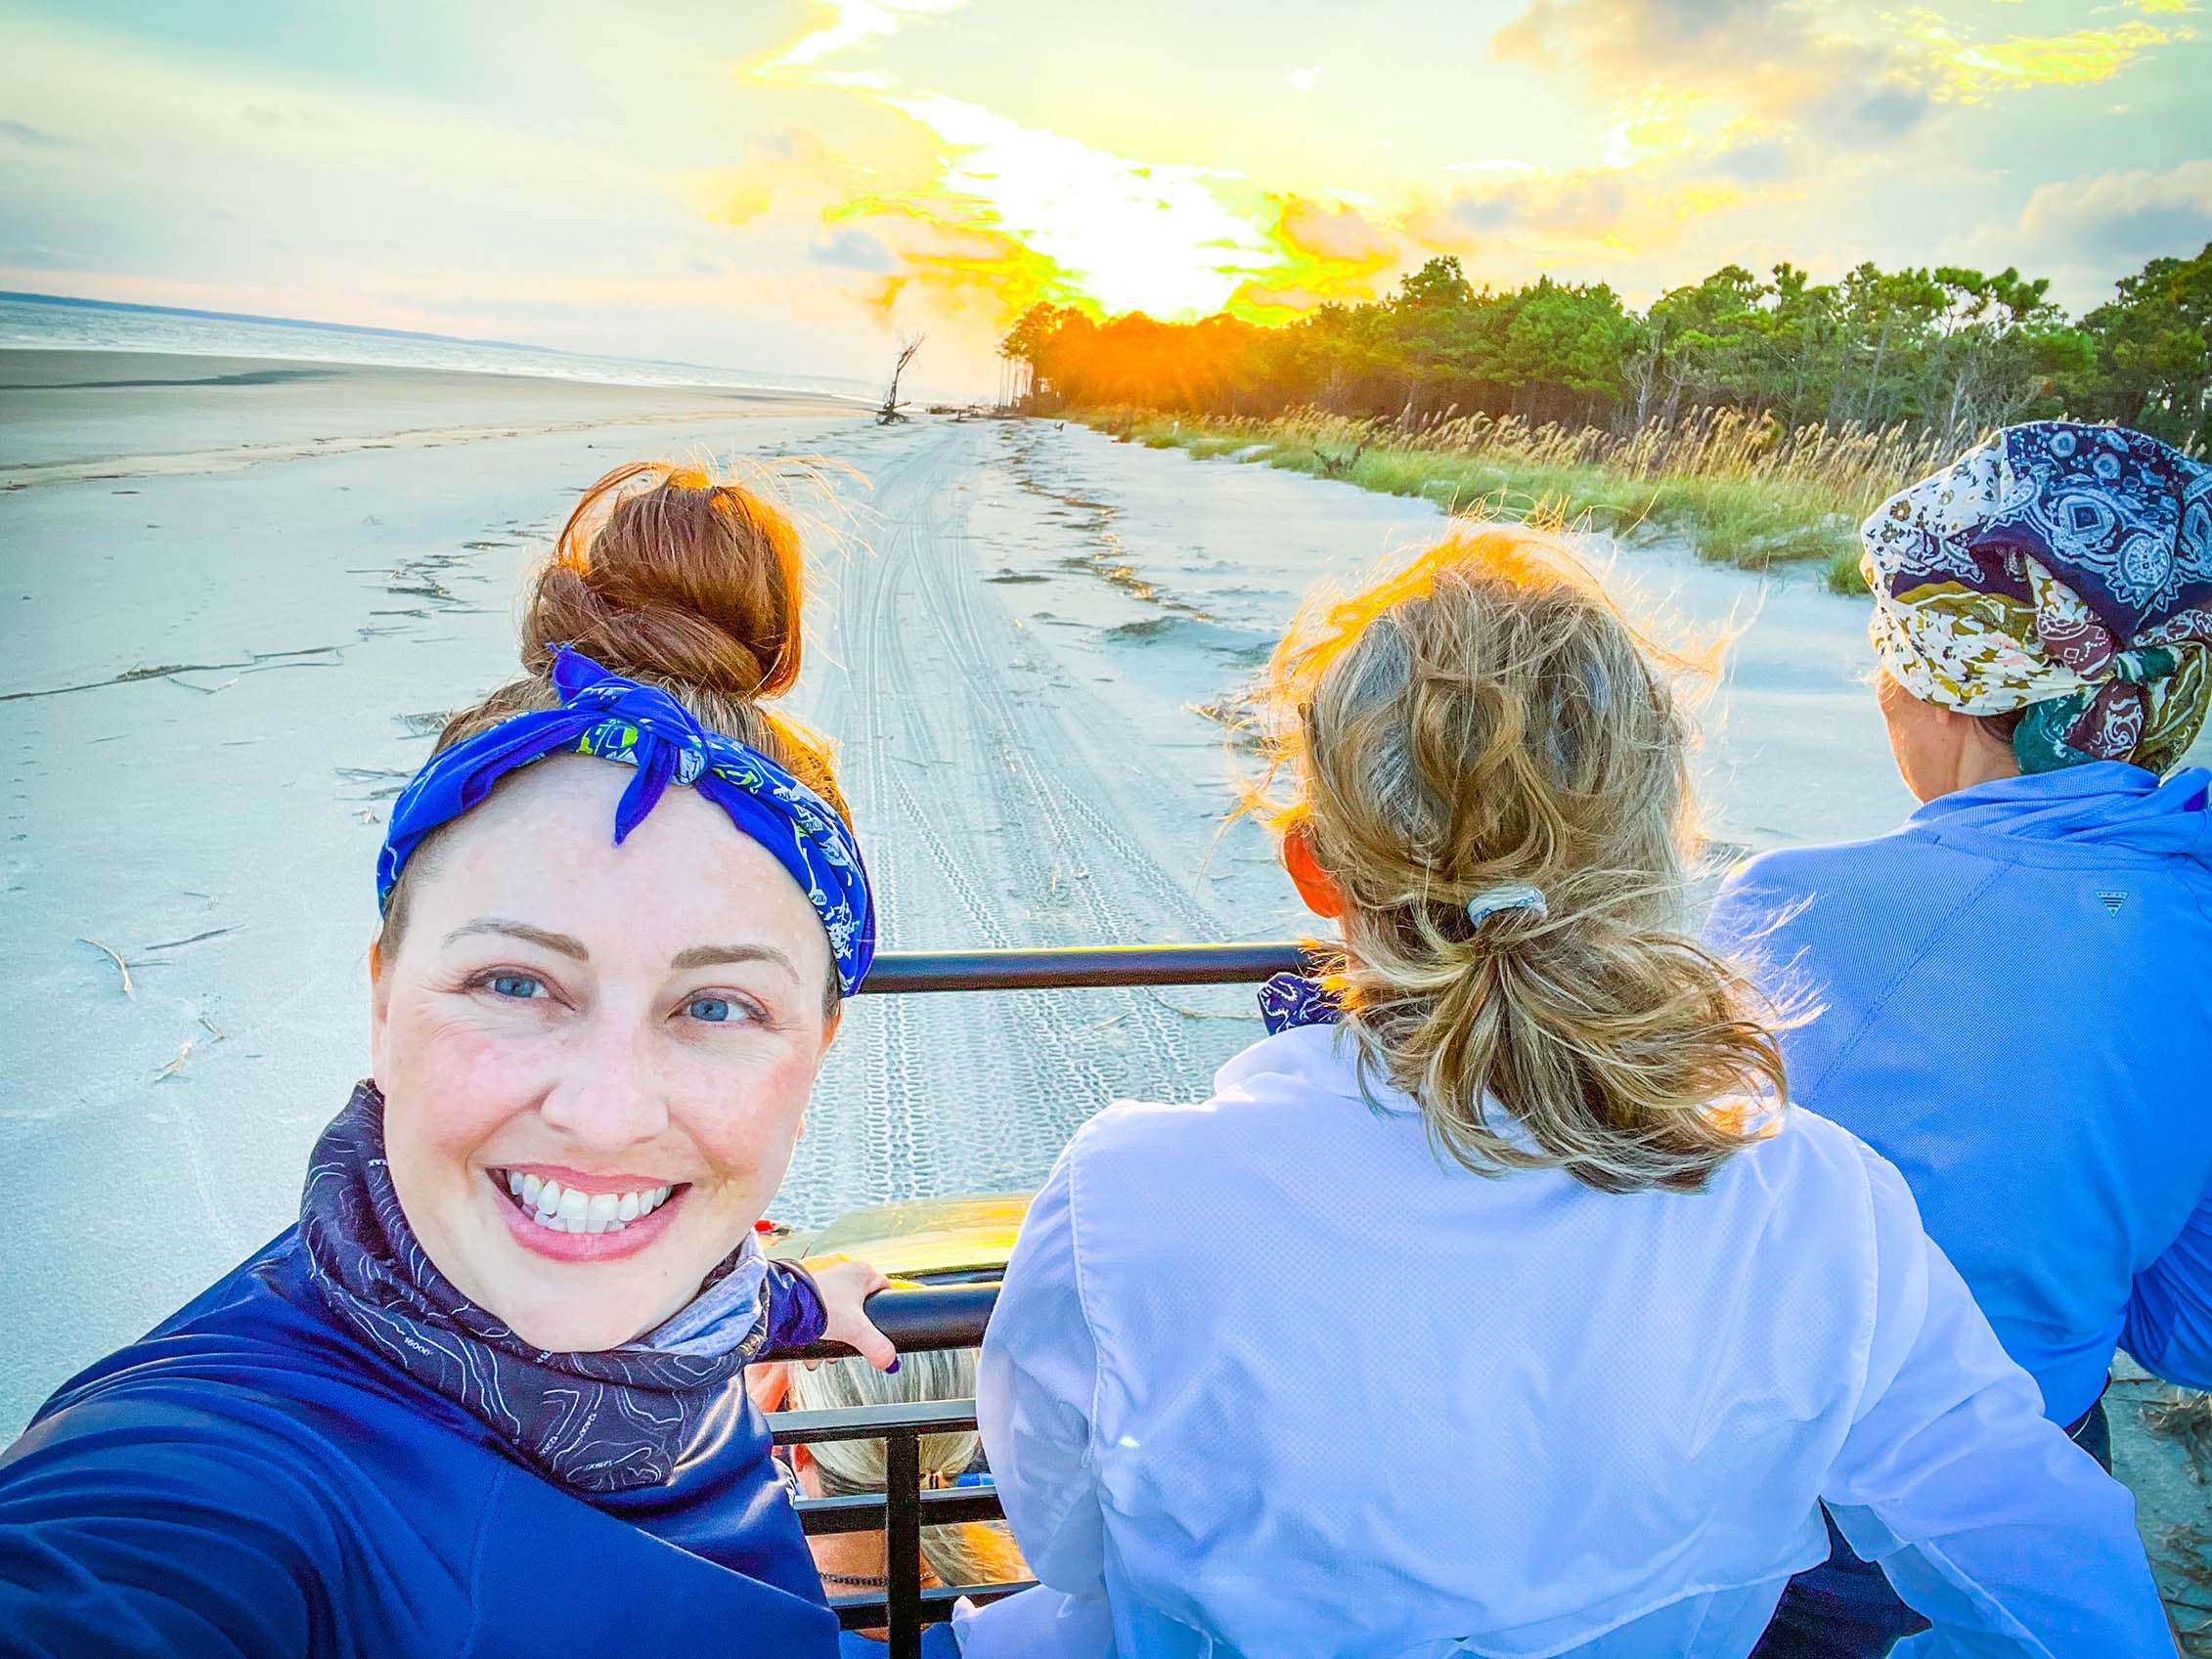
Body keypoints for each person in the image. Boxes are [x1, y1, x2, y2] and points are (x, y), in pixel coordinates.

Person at [960, 527, 2174, 1659]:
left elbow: (1065, 1531)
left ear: (1317, 870)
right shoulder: (1816, 1203)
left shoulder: (1132, 1193)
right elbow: (2049, 1562)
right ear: (1660, 849)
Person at [0, 463, 907, 1657]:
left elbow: (697, 1283)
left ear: (818, 1048)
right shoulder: (222, 1469)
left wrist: (792, 1300)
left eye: (718, 1004)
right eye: (517, 983)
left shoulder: (691, 1302)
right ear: (381, 998)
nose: (603, 1113)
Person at [1704, 421, 2212, 1657]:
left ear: (1949, 681)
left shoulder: (1790, 899)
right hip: (2044, 1496)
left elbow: (1694, 1221)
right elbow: (2187, 1324)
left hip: (1815, 1525)